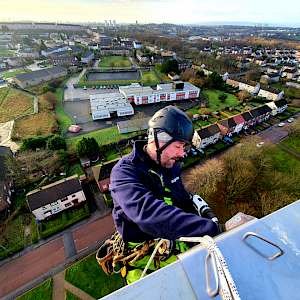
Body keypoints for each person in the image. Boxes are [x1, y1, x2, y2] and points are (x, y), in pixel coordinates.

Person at [110, 105, 219, 283]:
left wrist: (198, 215)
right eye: (178, 146)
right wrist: (212, 230)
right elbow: (148, 214)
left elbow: (181, 197)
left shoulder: (171, 166)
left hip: (171, 236)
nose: (182, 153)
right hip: (142, 251)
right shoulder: (123, 173)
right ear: (156, 140)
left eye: (183, 146)